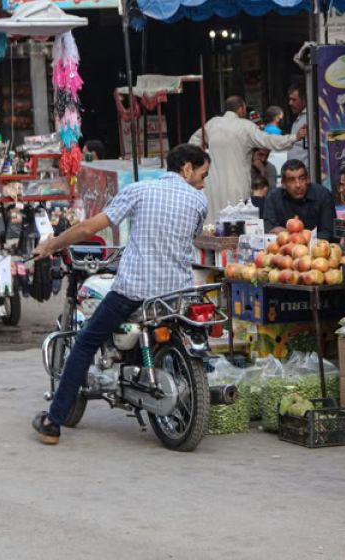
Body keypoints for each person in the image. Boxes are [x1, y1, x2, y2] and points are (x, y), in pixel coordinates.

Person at [31, 144, 211, 445]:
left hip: (135, 290)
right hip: (177, 294)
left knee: (86, 341)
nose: (203, 183)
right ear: (187, 169)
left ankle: (53, 422)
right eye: (202, 175)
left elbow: (90, 226)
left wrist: (52, 244)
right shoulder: (199, 201)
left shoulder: (140, 191)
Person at [189, 96, 303, 223]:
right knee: (235, 227)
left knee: (213, 226)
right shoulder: (245, 126)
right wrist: (293, 138)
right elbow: (268, 140)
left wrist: (205, 161)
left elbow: (193, 142)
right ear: (241, 109)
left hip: (213, 185)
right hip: (236, 185)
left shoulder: (212, 124)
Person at [263, 159, 335, 241]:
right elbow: (270, 231)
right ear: (283, 184)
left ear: (308, 179)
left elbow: (329, 233)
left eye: (302, 178)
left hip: (318, 250)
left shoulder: (323, 195)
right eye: (291, 180)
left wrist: (292, 235)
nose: (298, 185)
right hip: (283, 250)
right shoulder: (273, 198)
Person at [286, 84, 310, 170]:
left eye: (294, 100)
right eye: (290, 99)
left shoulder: (309, 118)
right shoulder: (300, 118)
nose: (290, 103)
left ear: (304, 100)